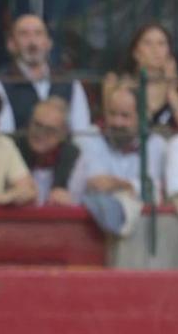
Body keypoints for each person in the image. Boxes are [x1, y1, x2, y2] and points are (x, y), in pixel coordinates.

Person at [69, 81, 167, 228]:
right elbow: (98, 184)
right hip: (91, 228)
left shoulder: (157, 145)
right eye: (112, 114)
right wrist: (133, 187)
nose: (117, 122)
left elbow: (154, 191)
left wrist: (120, 184)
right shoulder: (88, 138)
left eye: (125, 116)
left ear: (142, 117)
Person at [0, 12, 92, 135]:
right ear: (11, 45)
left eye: (38, 34)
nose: (32, 42)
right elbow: (4, 136)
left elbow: (81, 133)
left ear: (48, 43)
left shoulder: (69, 82)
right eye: (24, 34)